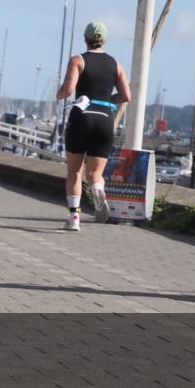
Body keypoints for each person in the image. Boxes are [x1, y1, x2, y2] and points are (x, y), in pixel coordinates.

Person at [56, 21, 131, 231]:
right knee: (95, 173)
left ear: (85, 39)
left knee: (74, 172)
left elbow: (68, 88)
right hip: (104, 118)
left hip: (82, 117)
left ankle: (74, 218)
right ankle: (98, 187)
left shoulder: (78, 60)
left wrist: (59, 95)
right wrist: (107, 100)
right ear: (104, 40)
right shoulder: (116, 65)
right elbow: (126, 96)